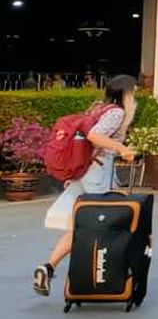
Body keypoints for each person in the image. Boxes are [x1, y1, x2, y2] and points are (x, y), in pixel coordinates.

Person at [33, 74, 139, 296]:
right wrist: (122, 149)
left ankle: (48, 267)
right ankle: (98, 273)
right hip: (96, 172)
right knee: (103, 220)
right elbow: (94, 136)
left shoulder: (100, 108)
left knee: (78, 225)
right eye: (133, 91)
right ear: (126, 93)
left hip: (82, 171)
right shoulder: (117, 112)